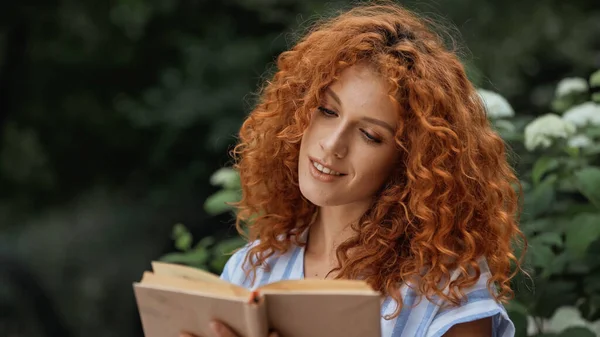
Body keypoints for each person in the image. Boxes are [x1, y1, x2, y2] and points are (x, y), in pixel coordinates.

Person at [182, 1, 525, 336]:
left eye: (370, 135)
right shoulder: (251, 271)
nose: (332, 145)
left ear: (411, 160)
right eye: (327, 111)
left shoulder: (446, 294)